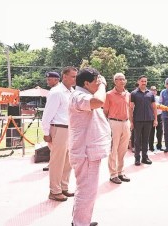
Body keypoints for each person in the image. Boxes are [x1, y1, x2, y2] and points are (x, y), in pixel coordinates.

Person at [68, 67, 110, 226]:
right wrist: (103, 86)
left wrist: (99, 86)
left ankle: (82, 220)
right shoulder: (78, 96)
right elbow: (99, 101)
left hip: (89, 152)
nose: (98, 84)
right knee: (86, 191)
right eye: (96, 82)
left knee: (88, 191)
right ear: (86, 83)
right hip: (85, 153)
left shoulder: (85, 94)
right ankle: (79, 224)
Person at [41, 67, 78, 202]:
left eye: (76, 76)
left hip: (70, 129)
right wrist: (46, 132)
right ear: (64, 77)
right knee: (57, 161)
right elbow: (47, 115)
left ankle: (63, 187)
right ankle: (54, 191)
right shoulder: (56, 92)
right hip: (59, 128)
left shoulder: (72, 92)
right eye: (72, 76)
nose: (75, 79)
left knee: (68, 160)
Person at [103, 73, 131, 184]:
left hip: (126, 123)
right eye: (119, 79)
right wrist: (107, 125)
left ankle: (120, 172)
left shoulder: (127, 94)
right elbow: (105, 111)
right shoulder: (109, 95)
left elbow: (129, 109)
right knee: (113, 150)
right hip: (114, 123)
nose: (121, 81)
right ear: (115, 81)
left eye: (123, 79)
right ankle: (113, 174)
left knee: (123, 150)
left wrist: (130, 123)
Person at [129, 75, 157, 166]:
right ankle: (137, 158)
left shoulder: (150, 94)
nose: (144, 83)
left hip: (149, 120)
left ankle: (145, 157)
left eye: (145, 81)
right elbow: (130, 108)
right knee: (137, 140)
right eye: (142, 81)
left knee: (146, 139)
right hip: (137, 120)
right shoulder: (133, 93)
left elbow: (154, 107)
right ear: (138, 82)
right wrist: (131, 121)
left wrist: (155, 119)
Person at [43, 71, 60, 172]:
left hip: (55, 125)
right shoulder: (61, 90)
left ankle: (53, 165)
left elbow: (48, 113)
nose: (47, 81)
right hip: (58, 125)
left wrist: (45, 131)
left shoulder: (55, 92)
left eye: (49, 79)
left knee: (54, 148)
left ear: (56, 80)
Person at [148, 86, 163, 151]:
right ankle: (151, 147)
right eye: (152, 90)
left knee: (160, 132)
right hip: (151, 117)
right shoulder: (148, 98)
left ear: (156, 91)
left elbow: (162, 106)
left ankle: (159, 146)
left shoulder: (159, 98)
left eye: (155, 90)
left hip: (159, 116)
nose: (153, 91)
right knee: (151, 133)